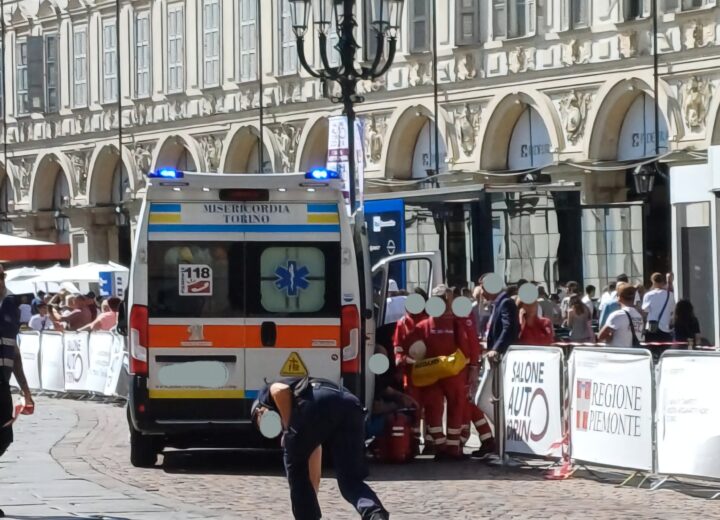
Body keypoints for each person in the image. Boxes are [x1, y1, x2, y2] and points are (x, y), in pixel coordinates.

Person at [251, 378, 389, 520]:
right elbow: (314, 461)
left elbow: (280, 390)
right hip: (350, 404)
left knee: (295, 465)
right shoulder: (300, 411)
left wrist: (288, 429)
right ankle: (375, 514)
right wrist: (311, 498)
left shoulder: (265, 395)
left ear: (260, 410)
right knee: (350, 481)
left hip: (317, 403)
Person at [406, 285, 472, 459]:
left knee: (454, 408)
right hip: (436, 373)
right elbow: (411, 348)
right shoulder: (425, 325)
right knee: (434, 409)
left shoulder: (456, 323)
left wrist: (470, 368)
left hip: (451, 372)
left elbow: (465, 347)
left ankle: (450, 448)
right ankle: (444, 446)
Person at [0, 264, 35, 518]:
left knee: (4, 437)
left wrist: (25, 390)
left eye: (1, 275)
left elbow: (14, 350)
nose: (0, 280)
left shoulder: (10, 307)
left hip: (2, 383)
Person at [598, 283, 644, 347]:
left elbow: (601, 336)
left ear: (619, 297)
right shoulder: (638, 316)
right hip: (633, 353)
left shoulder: (617, 315)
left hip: (618, 354)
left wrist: (610, 337)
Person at [484, 281, 520, 361]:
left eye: (484, 289)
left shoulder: (506, 302)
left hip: (503, 353)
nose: (482, 292)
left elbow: (507, 327)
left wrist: (496, 348)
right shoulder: (497, 303)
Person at [642, 272, 675, 343]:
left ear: (652, 281)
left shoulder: (648, 295)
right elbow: (672, 310)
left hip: (652, 327)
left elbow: (645, 311)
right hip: (665, 327)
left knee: (652, 350)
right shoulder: (670, 295)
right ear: (663, 281)